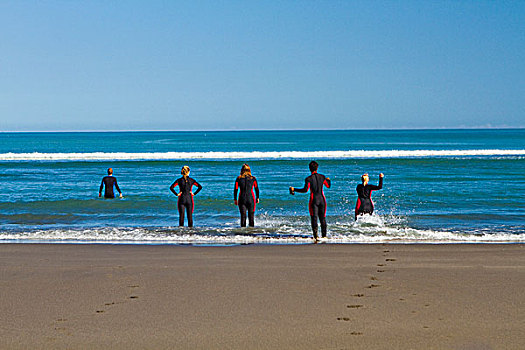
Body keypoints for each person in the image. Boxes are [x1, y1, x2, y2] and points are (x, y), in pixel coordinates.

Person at [289, 161, 331, 241]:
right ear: (317, 168)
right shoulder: (322, 177)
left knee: (314, 218)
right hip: (322, 200)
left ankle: (315, 237)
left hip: (314, 200)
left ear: (309, 168)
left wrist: (294, 189)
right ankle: (324, 237)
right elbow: (328, 186)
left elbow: (305, 190)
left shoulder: (308, 179)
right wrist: (328, 180)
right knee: (322, 218)